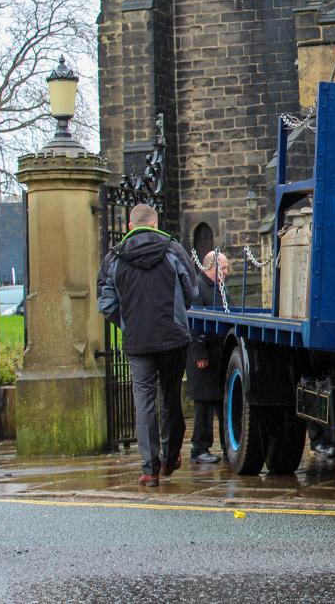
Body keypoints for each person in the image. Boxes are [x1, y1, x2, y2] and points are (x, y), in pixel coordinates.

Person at [97, 204, 198, 487]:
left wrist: (127, 323)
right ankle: (170, 456)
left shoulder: (114, 258)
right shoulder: (173, 250)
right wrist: (177, 313)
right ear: (154, 223)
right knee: (170, 399)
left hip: (137, 341)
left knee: (144, 403)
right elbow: (191, 291)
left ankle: (150, 469)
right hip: (173, 337)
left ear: (131, 226)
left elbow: (105, 303)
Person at [187, 250, 229, 464]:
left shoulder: (219, 288)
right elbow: (194, 324)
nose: (227, 272)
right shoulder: (197, 288)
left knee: (220, 402)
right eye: (223, 268)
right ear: (211, 267)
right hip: (203, 356)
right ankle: (199, 448)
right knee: (203, 404)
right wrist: (200, 353)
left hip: (218, 354)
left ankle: (225, 444)